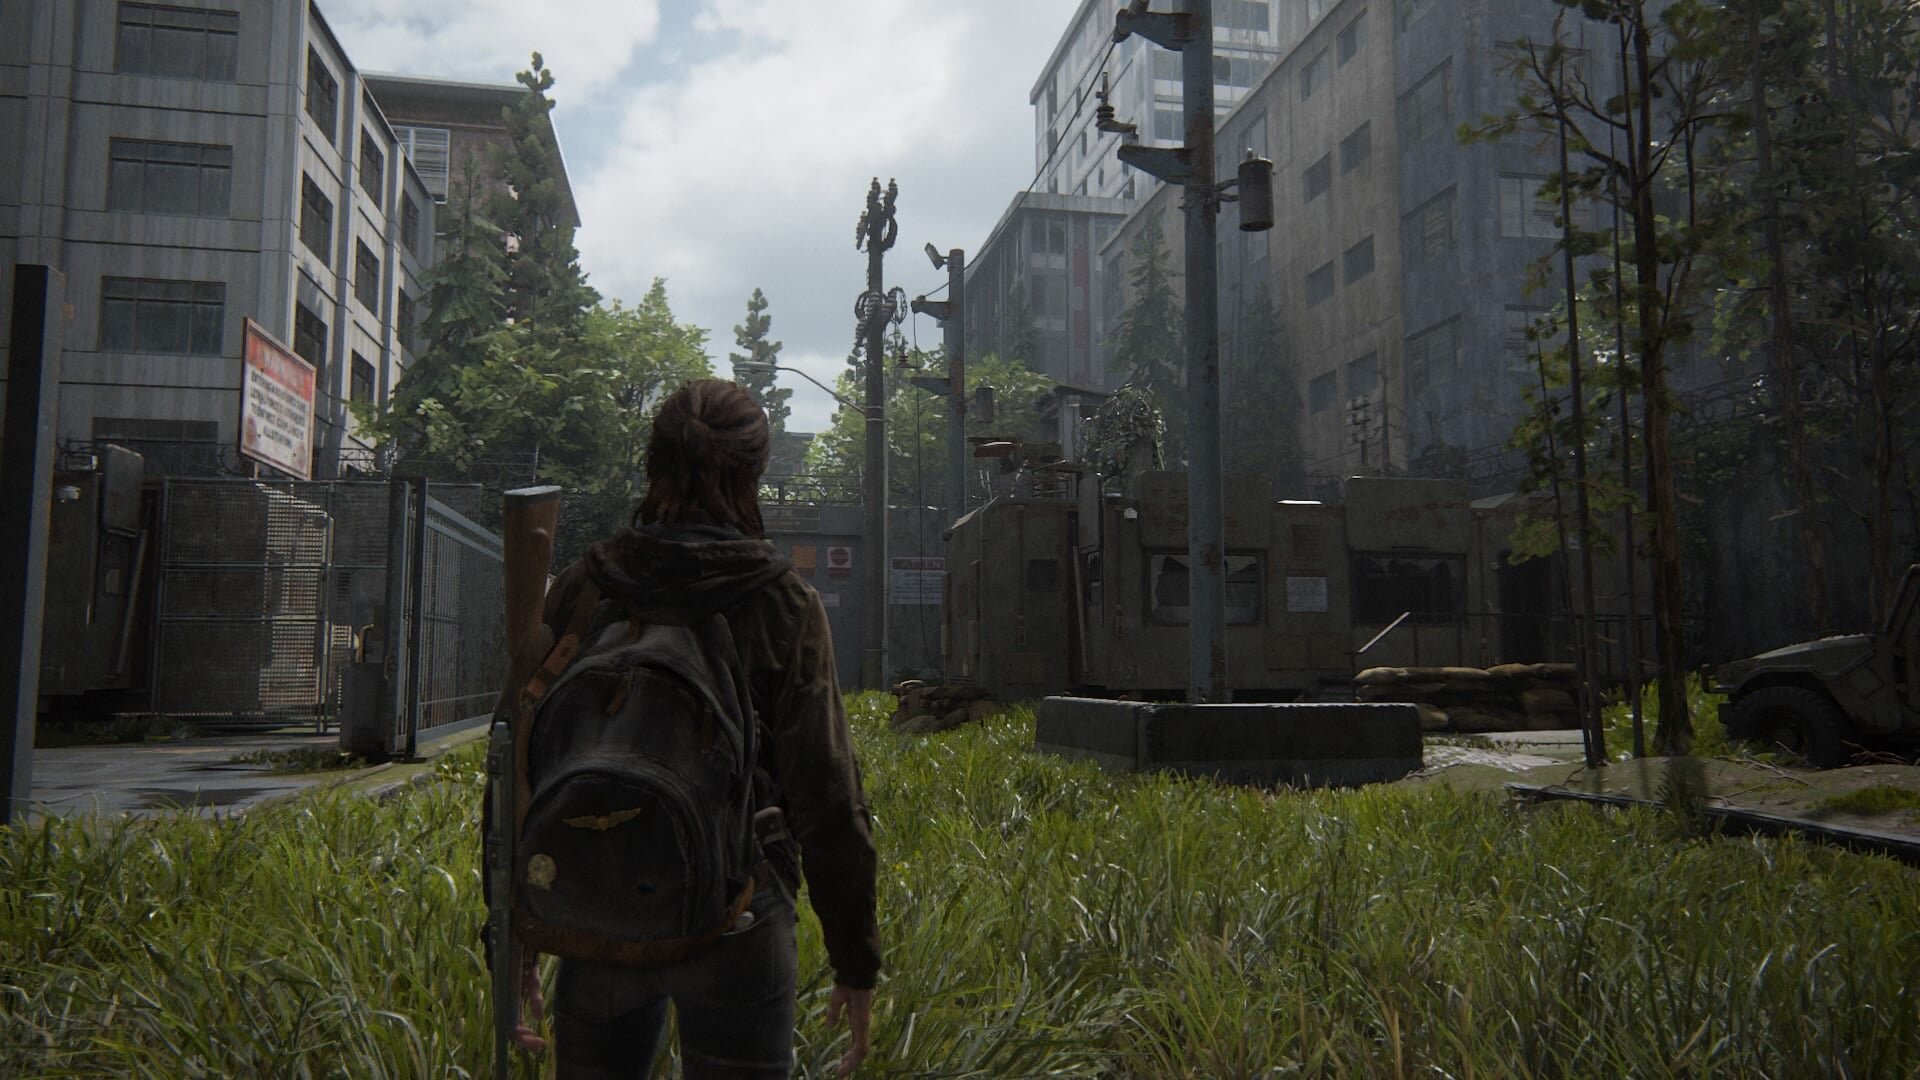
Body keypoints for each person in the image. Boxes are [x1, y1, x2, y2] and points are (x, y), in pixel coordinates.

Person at [519, 378, 881, 1077]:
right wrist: (854, 960)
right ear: (754, 473)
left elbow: (519, 763)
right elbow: (827, 793)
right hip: (737, 911)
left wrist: (515, 935)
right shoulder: (781, 601)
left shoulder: (586, 585)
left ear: (653, 462)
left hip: (594, 901)